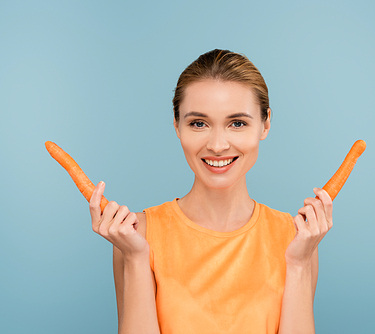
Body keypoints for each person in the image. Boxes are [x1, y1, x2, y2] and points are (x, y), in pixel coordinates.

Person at [89, 49, 333, 334]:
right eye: (198, 123)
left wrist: (300, 264)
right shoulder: (135, 234)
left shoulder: (296, 239)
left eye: (237, 123)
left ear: (265, 124)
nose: (217, 145)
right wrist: (135, 258)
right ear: (177, 126)